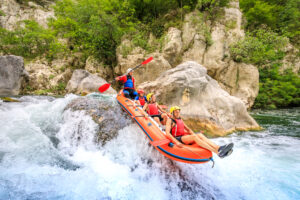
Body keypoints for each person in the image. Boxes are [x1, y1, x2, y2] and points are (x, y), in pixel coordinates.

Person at [165, 106, 233, 158]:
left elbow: (188, 129)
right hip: (177, 138)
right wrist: (176, 142)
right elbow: (167, 133)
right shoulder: (170, 120)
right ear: (172, 113)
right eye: (176, 112)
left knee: (199, 135)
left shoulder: (180, 119)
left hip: (183, 137)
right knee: (195, 137)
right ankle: (217, 153)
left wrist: (195, 135)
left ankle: (218, 148)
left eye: (178, 111)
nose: (178, 113)